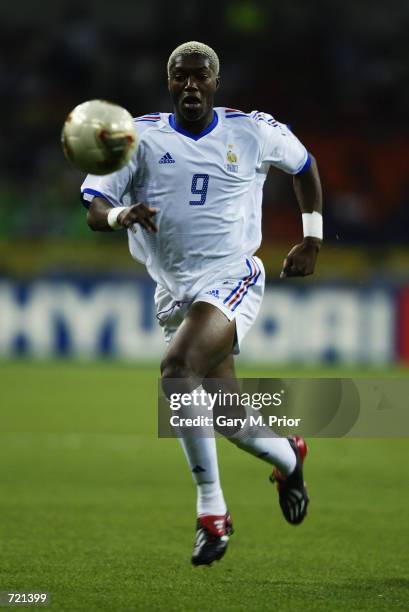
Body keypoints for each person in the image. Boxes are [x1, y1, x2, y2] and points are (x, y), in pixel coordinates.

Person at [81, 41, 323, 566]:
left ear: (215, 82)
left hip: (233, 276)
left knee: (175, 370)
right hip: (175, 292)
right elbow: (95, 207)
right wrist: (121, 216)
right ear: (169, 83)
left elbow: (305, 166)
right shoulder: (138, 137)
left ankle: (212, 513)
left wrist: (311, 239)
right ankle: (288, 455)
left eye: (200, 76)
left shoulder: (252, 131)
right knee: (229, 414)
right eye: (180, 76)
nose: (190, 85)